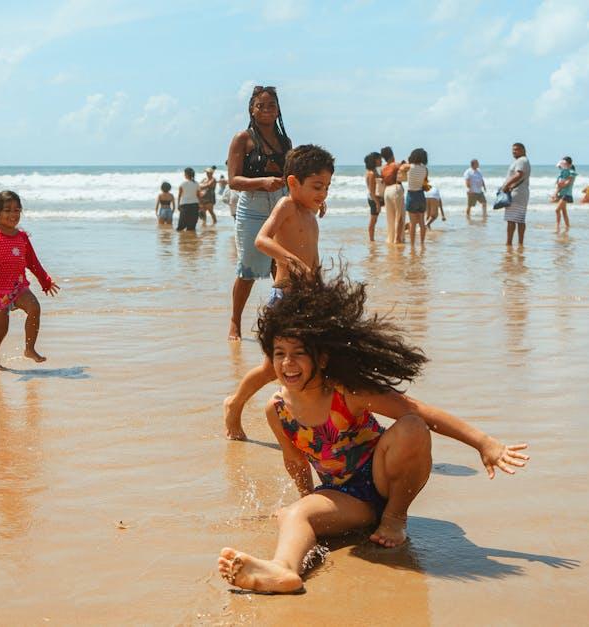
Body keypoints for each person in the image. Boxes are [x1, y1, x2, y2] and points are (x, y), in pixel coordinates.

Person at [216, 266, 530, 593]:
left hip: (383, 479)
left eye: (298, 354)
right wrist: (309, 505)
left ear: (321, 359)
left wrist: (483, 442)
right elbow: (295, 461)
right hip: (346, 498)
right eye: (279, 354)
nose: (288, 363)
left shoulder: (346, 393)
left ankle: (395, 518)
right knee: (296, 514)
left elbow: (418, 410)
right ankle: (282, 571)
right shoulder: (277, 410)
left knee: (412, 426)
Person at [223, 145, 334, 440]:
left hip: (307, 299)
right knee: (271, 369)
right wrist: (289, 260)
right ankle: (234, 404)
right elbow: (261, 240)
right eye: (316, 187)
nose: (322, 193)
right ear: (293, 183)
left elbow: (313, 255)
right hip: (284, 299)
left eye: (326, 187)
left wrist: (320, 286)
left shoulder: (311, 213)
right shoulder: (286, 205)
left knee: (313, 361)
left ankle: (308, 421)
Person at [226, 85, 293, 340]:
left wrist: (313, 199)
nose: (266, 109)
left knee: (282, 264)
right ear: (252, 110)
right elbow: (233, 180)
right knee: (248, 270)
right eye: (260, 105)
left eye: (271, 105)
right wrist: (262, 182)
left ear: (278, 111)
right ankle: (235, 321)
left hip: (281, 202)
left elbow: (292, 175)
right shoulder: (242, 138)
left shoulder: (285, 141)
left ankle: (280, 322)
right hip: (252, 206)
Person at [0, 191, 59, 369]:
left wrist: (45, 281)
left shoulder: (22, 238)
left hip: (18, 287)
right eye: (8, 210)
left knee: (35, 307)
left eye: (17, 210)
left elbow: (33, 262)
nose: (13, 214)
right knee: (1, 330)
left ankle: (29, 348)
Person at [501, 143, 531, 246]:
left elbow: (519, 174)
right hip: (521, 193)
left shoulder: (522, 160)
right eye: (513, 150)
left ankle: (509, 243)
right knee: (520, 219)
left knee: (511, 220)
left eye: (517, 149)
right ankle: (520, 243)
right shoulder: (523, 161)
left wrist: (506, 185)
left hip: (517, 193)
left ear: (523, 150)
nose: (514, 151)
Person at [379, 147, 404, 244]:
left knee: (390, 217)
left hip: (387, 191)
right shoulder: (395, 165)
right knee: (399, 215)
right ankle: (398, 239)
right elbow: (404, 167)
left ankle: (391, 238)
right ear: (392, 154)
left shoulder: (383, 168)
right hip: (396, 189)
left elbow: (382, 180)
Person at [405, 148, 428, 247]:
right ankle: (422, 243)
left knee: (412, 223)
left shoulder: (409, 167)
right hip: (421, 195)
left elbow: (402, 169)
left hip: (411, 195)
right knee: (422, 222)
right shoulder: (425, 169)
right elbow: (425, 183)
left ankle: (412, 245)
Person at [553, 157, 577, 231]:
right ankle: (567, 226)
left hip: (567, 194)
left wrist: (560, 184)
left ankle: (557, 227)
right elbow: (559, 184)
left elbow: (567, 183)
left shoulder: (572, 173)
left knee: (557, 210)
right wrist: (556, 193)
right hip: (562, 193)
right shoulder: (563, 173)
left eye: (565, 164)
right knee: (564, 212)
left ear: (569, 164)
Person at [364, 152, 382, 242]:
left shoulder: (374, 171)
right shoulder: (371, 173)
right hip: (373, 199)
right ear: (375, 160)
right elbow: (371, 191)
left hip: (375, 198)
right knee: (373, 220)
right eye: (380, 159)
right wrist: (377, 204)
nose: (381, 160)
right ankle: (371, 240)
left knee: (374, 220)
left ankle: (372, 239)